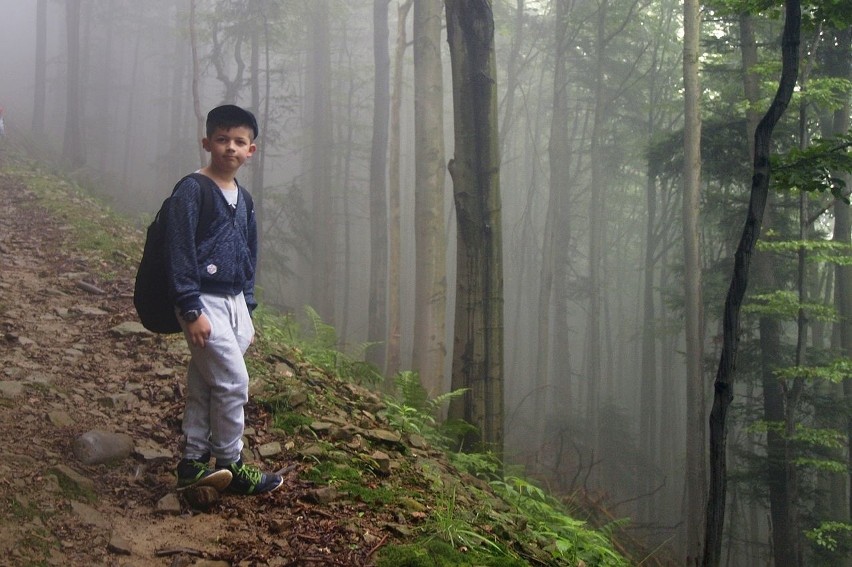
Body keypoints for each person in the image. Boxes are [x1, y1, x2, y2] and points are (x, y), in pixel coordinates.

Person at [164, 104, 282, 495]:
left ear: (252, 150)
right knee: (233, 383)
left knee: (205, 381)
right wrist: (190, 306)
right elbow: (179, 250)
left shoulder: (244, 199)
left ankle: (193, 462)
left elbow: (250, 253)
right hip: (202, 301)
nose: (230, 147)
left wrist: (247, 307)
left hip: (234, 303)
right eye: (222, 139)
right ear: (207, 142)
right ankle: (232, 462)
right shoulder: (192, 190)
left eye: (239, 141)